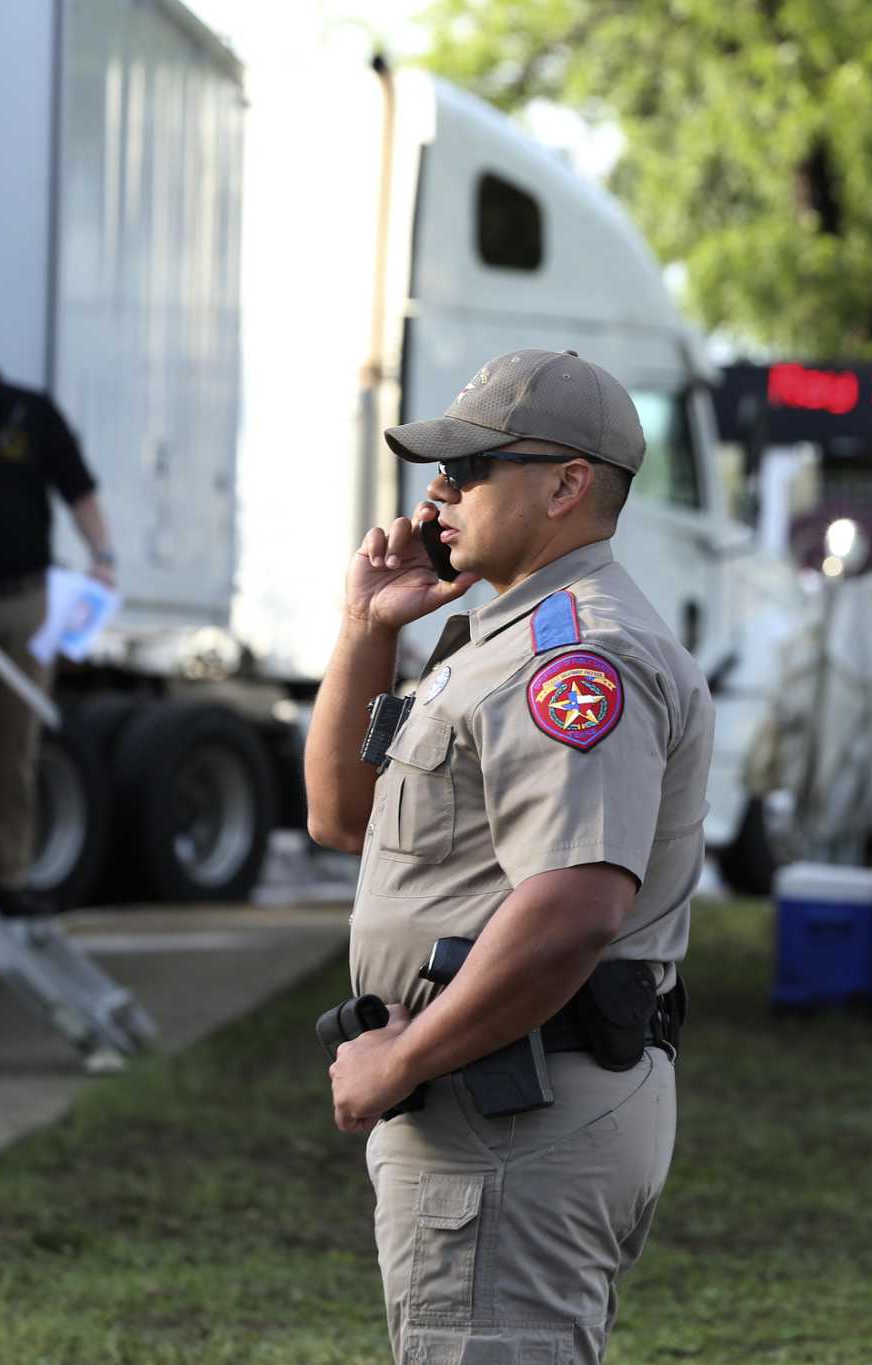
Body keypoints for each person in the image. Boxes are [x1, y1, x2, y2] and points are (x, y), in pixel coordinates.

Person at [306, 348, 713, 1363]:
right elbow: (341, 819)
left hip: (518, 1114)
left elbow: (576, 905)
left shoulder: (575, 656)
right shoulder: (500, 638)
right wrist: (366, 628)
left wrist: (399, 1055)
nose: (438, 494)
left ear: (567, 485)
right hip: (492, 1107)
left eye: (472, 468)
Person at [0, 308, 118, 911]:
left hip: (28, 602)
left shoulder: (30, 414)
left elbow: (78, 490)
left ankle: (7, 876)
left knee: (18, 742)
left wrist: (102, 557)